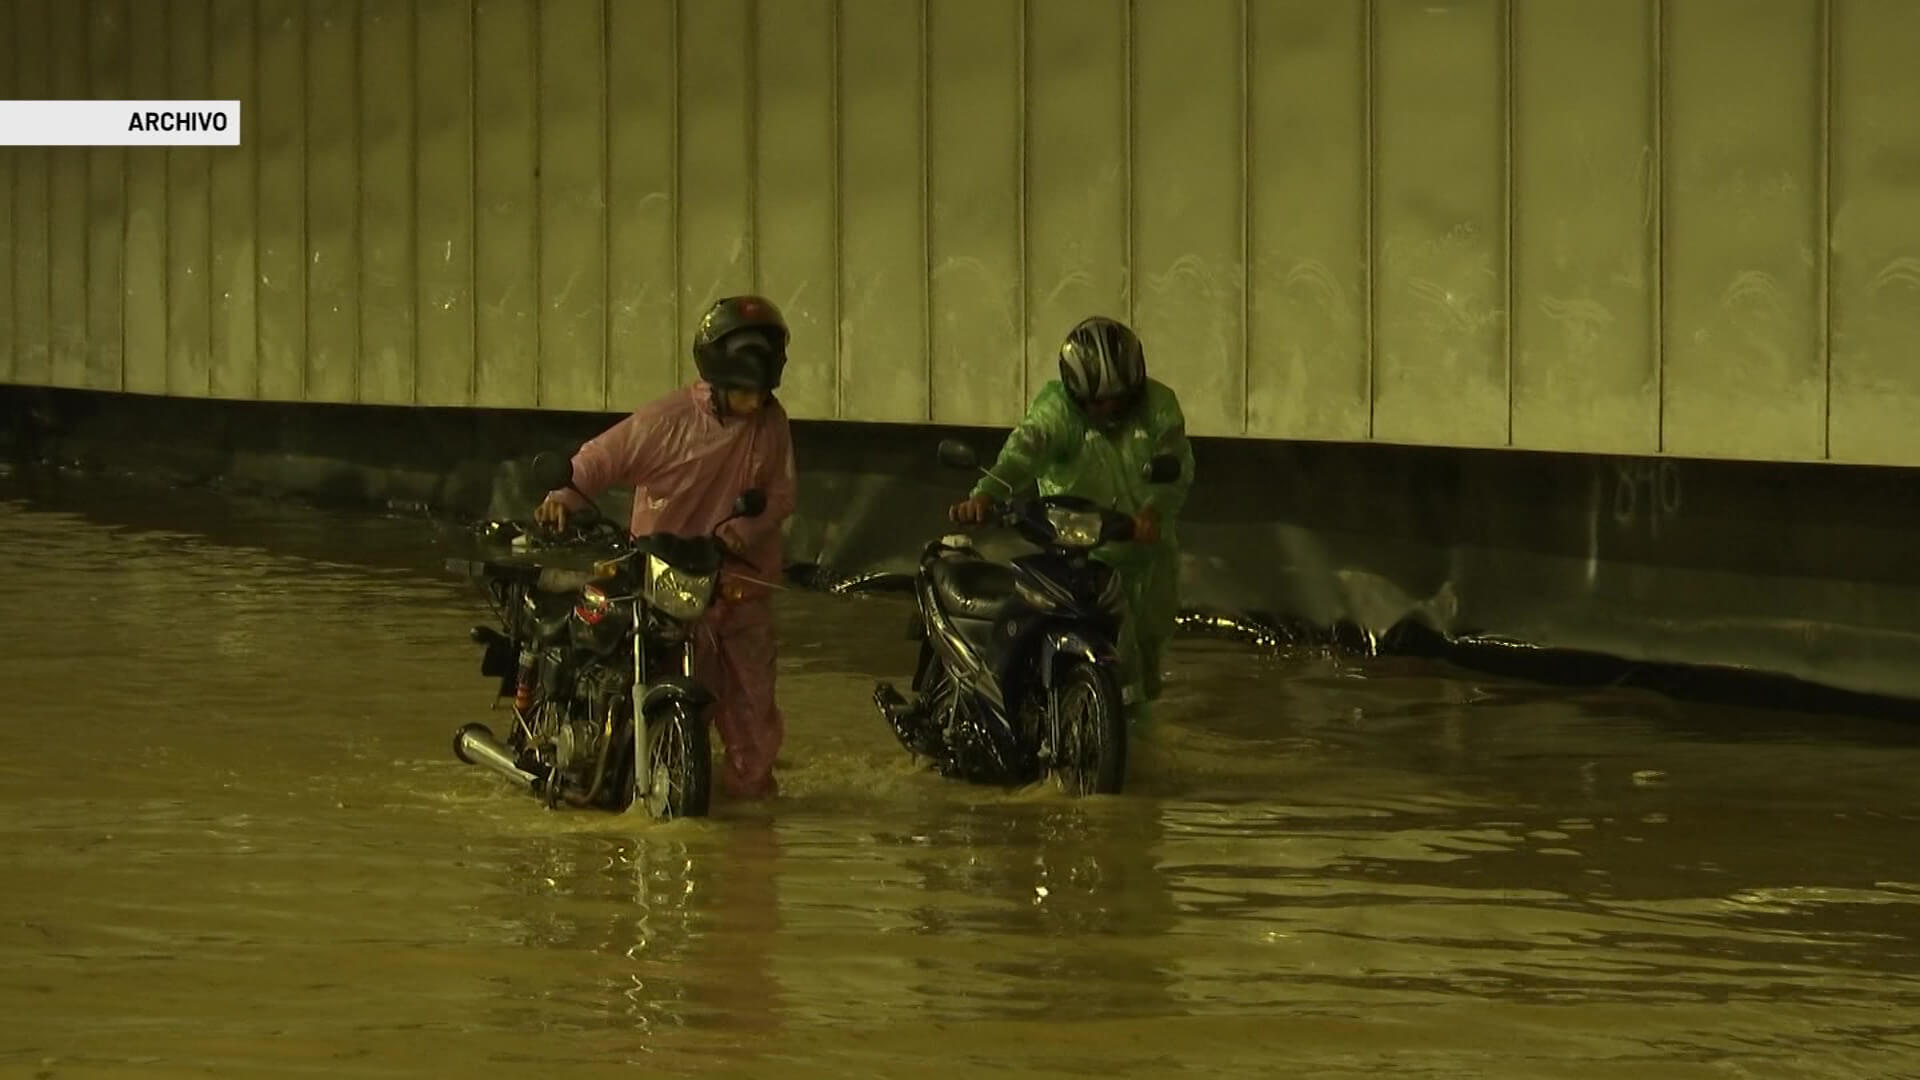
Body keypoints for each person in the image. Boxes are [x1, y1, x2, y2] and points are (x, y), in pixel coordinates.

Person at [535, 295, 797, 800]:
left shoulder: (773, 422)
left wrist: (740, 535)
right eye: (744, 392)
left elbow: (782, 495)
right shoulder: (667, 421)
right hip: (664, 579)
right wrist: (561, 498)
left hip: (738, 582)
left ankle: (750, 805)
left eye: (761, 393)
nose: (754, 404)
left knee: (753, 707)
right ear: (719, 381)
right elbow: (599, 460)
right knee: (645, 679)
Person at [949, 316, 1195, 723]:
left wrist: (1151, 513)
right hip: (1078, 548)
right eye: (1097, 402)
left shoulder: (1160, 407)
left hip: (1149, 555)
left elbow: (1177, 466)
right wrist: (985, 495)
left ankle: (1133, 753)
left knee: (1143, 672)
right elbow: (1022, 454)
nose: (1110, 408)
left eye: (1119, 398)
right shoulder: (1056, 411)